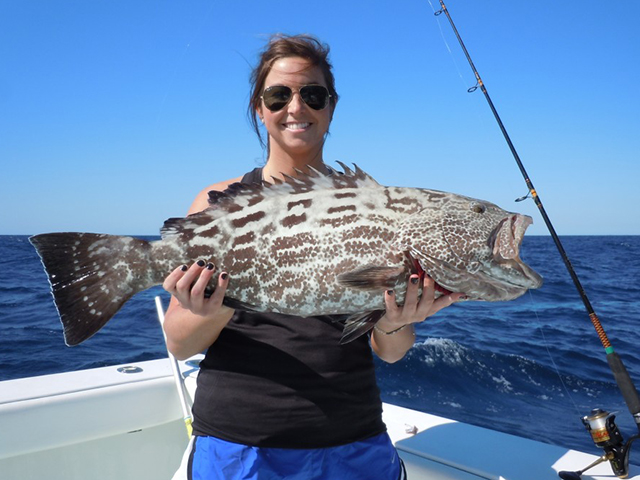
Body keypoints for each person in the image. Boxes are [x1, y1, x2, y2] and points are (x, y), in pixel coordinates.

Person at [162, 34, 464, 480]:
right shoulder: (217, 202)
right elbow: (180, 343)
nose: (296, 107)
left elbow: (392, 352)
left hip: (354, 440)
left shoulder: (371, 205)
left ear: (331, 108)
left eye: (313, 95)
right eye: (279, 95)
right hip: (241, 444)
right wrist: (216, 303)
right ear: (259, 109)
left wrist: (398, 320)